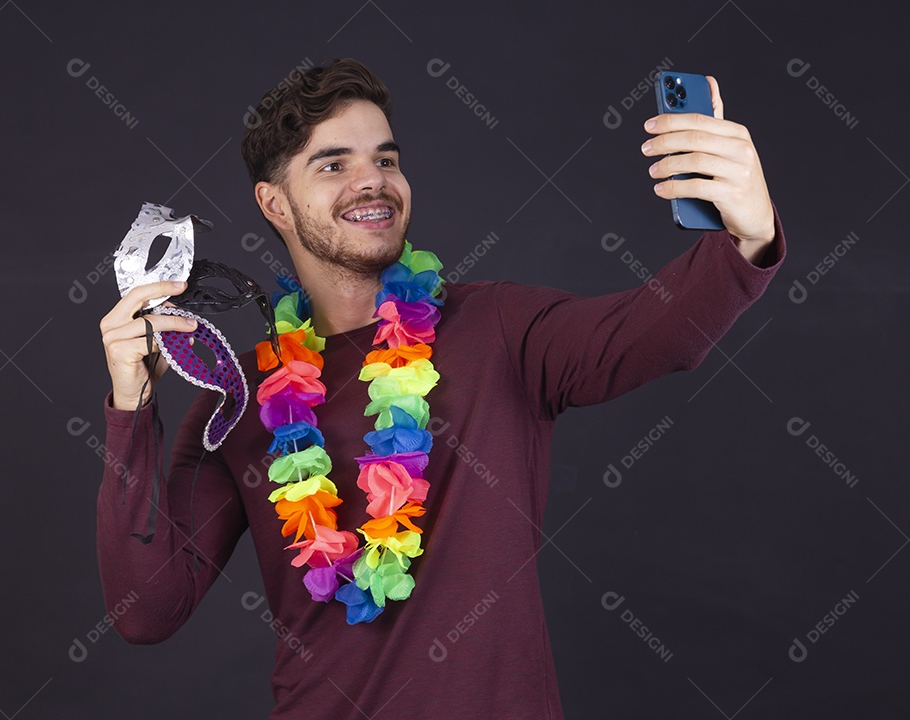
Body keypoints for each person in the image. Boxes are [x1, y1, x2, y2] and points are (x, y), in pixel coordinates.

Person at [96, 58, 784, 719]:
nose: (372, 182)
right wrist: (132, 408)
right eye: (334, 164)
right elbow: (147, 612)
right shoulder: (239, 397)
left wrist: (748, 235)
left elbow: (654, 333)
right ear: (275, 204)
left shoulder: (499, 329)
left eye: (385, 160)